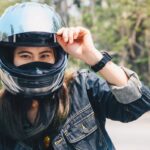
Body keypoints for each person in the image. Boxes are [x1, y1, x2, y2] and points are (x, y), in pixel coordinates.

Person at [0, 2, 149, 150]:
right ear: (10, 58)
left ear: (56, 57)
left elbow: (137, 104)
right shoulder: (2, 113)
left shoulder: (82, 87)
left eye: (44, 55)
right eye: (25, 55)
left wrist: (92, 56)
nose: (36, 64)